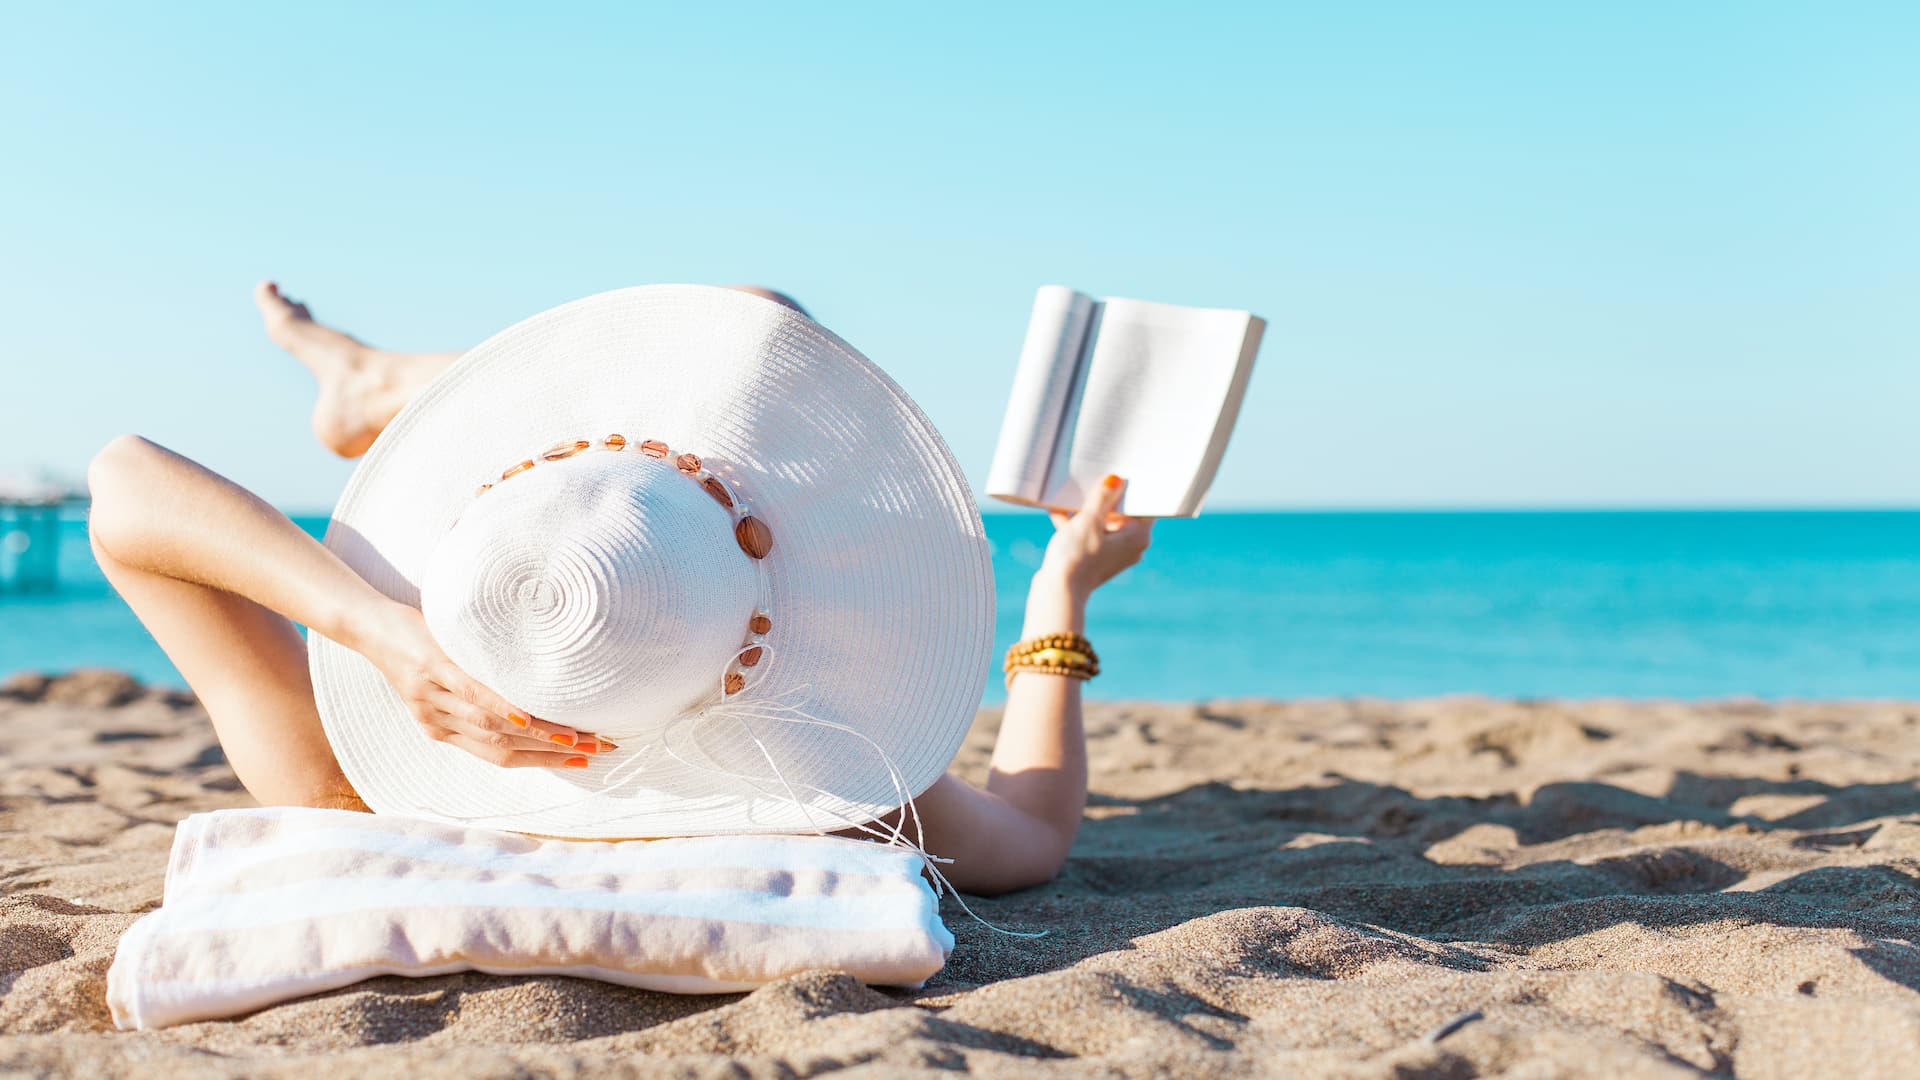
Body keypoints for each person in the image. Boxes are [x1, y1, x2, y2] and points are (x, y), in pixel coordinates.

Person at [86, 282, 1151, 896]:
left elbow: (125, 483)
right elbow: (1033, 829)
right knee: (759, 316)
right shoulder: (817, 786)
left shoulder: (344, 787)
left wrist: (381, 632)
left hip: (422, 645)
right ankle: (392, 387)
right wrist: (1063, 585)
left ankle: (383, 387)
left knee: (753, 319)